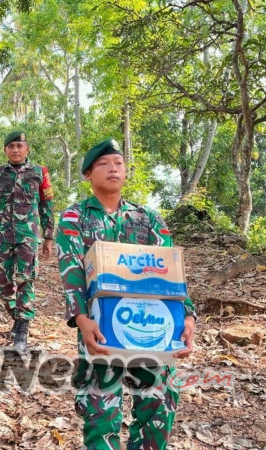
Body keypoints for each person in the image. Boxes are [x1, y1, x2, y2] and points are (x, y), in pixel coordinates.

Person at [56, 138, 196, 449]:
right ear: (88, 174)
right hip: (100, 331)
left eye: (118, 163)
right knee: (100, 414)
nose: (113, 169)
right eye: (104, 164)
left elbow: (171, 270)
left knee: (159, 407)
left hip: (154, 328)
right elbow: (71, 271)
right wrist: (80, 318)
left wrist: (187, 315)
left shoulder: (148, 218)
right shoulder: (74, 218)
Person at [0, 130, 55, 351]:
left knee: (25, 279)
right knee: (1, 281)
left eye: (20, 146)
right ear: (5, 150)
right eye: (11, 146)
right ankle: (16, 314)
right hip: (2, 235)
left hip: (28, 236)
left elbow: (47, 206)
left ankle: (22, 327)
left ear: (27, 149)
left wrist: (49, 237)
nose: (16, 150)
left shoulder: (39, 173)